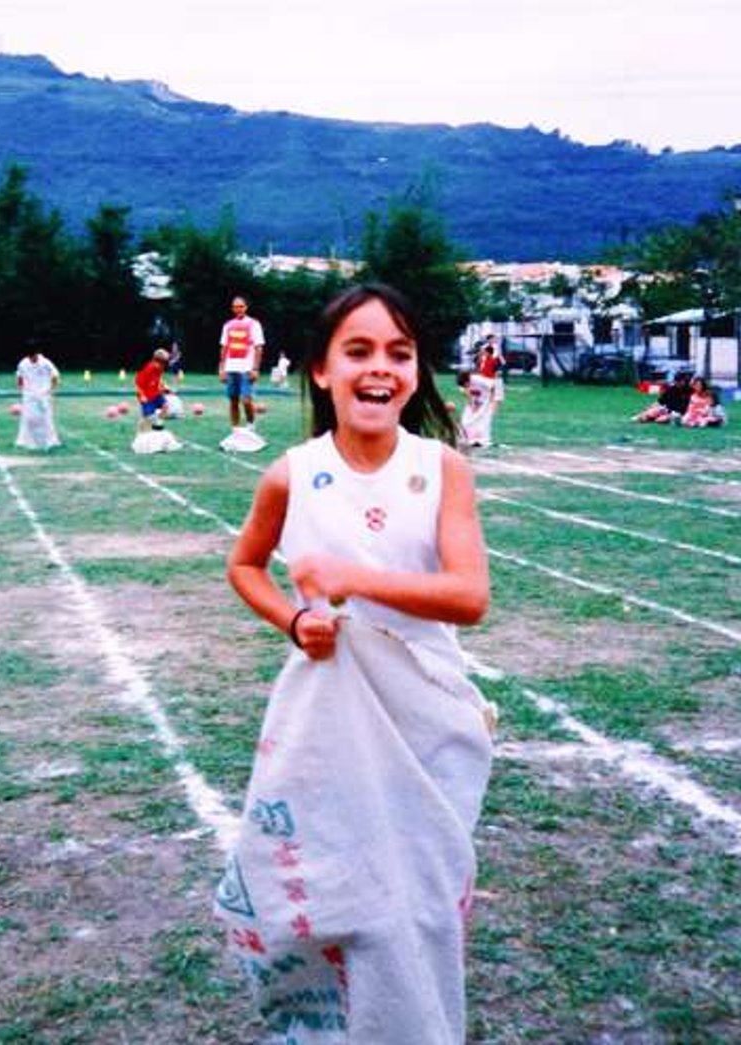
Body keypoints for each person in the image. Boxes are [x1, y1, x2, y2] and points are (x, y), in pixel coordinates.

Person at [217, 283, 495, 1044]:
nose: (381, 369)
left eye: (399, 353)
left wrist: (353, 578)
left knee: (423, 903)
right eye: (359, 351)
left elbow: (470, 596)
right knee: (329, 889)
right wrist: (296, 616)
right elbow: (244, 566)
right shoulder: (292, 471)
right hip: (325, 722)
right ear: (319, 370)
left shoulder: (443, 468)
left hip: (429, 723)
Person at [219, 295, 265, 431]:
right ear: (232, 308)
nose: (238, 309)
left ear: (246, 307)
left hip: (247, 368)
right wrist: (221, 369)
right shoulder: (227, 325)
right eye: (235, 307)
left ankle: (251, 426)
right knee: (233, 400)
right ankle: (236, 430)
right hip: (230, 368)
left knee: (246, 400)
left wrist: (255, 369)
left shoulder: (254, 324)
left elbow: (259, 348)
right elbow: (224, 347)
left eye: (241, 306)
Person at [15, 343, 61, 450]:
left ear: (37, 353)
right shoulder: (23, 363)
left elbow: (55, 376)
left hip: (44, 395)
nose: (32, 358)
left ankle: (50, 441)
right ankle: (27, 442)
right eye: (30, 356)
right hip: (29, 396)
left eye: (33, 356)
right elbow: (19, 378)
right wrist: (23, 390)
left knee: (46, 419)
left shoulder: (46, 363)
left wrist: (50, 390)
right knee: (29, 418)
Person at [135, 348, 172, 429]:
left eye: (165, 363)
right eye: (163, 362)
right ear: (156, 361)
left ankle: (158, 423)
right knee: (148, 418)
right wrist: (142, 396)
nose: (164, 365)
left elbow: (159, 379)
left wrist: (164, 387)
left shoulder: (160, 368)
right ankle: (141, 432)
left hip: (156, 394)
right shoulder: (148, 369)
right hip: (146, 396)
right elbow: (138, 383)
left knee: (166, 406)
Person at [457, 368, 495, 447]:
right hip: (476, 402)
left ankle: (481, 440)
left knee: (483, 422)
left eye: (466, 384)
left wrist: (491, 401)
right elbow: (467, 393)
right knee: (465, 420)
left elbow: (494, 387)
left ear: (468, 380)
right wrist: (472, 404)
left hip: (485, 402)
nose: (465, 386)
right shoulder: (462, 385)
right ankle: (466, 438)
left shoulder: (479, 380)